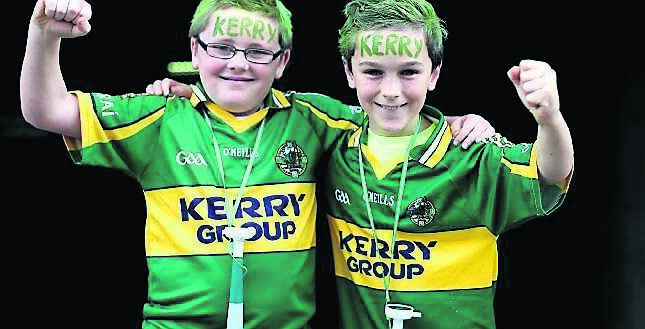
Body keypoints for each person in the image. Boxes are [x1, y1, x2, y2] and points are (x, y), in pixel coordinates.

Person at [19, 0, 497, 328]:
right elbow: (46, 111)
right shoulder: (161, 118)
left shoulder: (311, 119)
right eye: (221, 48)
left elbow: (388, 113)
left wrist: (456, 121)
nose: (238, 64)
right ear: (194, 52)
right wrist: (43, 35)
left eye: (257, 52)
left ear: (282, 60)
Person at [315, 0, 574, 328]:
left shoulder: (469, 154)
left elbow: (549, 173)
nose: (391, 91)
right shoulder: (333, 141)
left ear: (434, 74)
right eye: (373, 71)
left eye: (409, 72)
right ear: (349, 72)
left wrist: (549, 118)